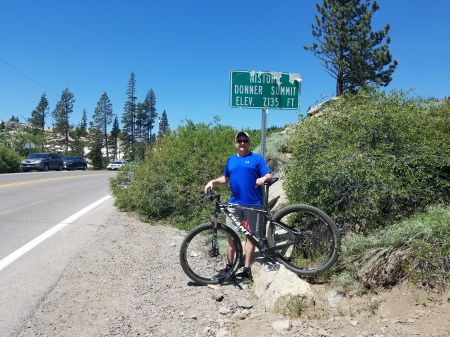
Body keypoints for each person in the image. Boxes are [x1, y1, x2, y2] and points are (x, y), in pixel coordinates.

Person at [204, 131, 272, 283]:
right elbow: (226, 178)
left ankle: (246, 270)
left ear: (249, 142)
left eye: (245, 140)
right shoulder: (231, 160)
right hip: (234, 204)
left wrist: (262, 178)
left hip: (253, 205)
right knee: (231, 237)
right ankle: (230, 268)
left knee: (250, 237)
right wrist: (213, 182)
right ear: (235, 143)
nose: (242, 143)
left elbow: (268, 175)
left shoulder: (256, 158)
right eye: (239, 140)